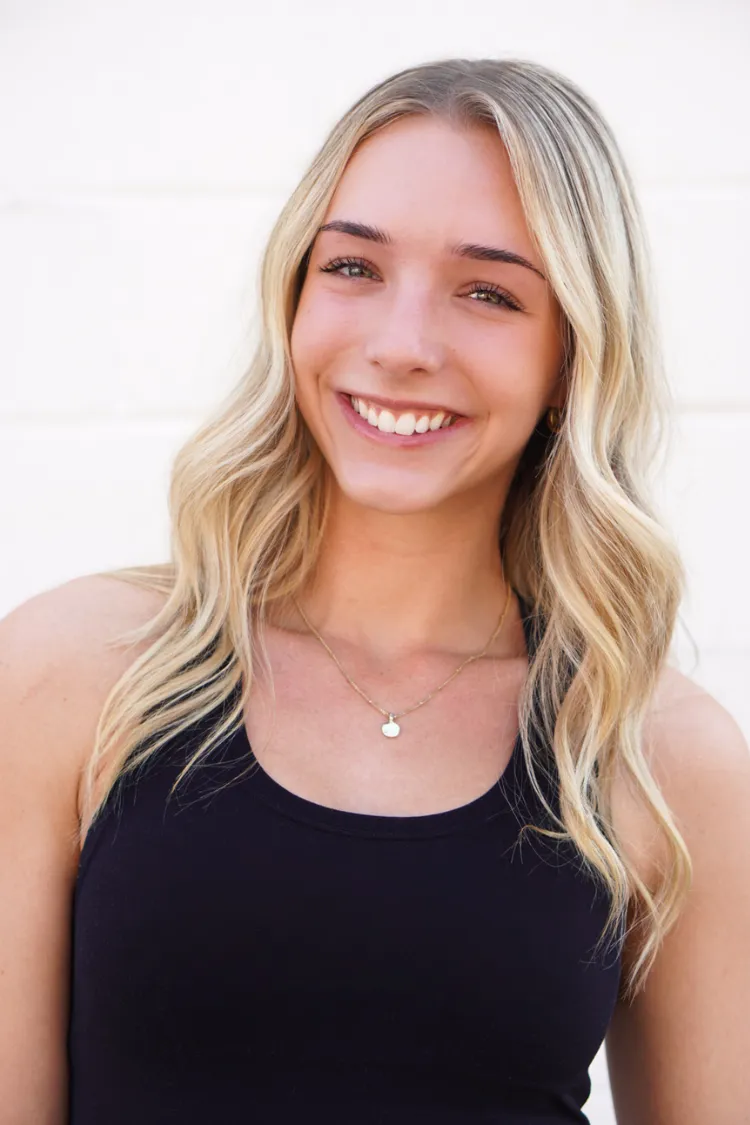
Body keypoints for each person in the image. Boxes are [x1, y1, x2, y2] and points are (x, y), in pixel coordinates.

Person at [1, 57, 748, 1125]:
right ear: (295, 296)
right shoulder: (72, 676)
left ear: (572, 355)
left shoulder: (657, 754)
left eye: (489, 292)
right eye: (353, 268)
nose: (401, 346)